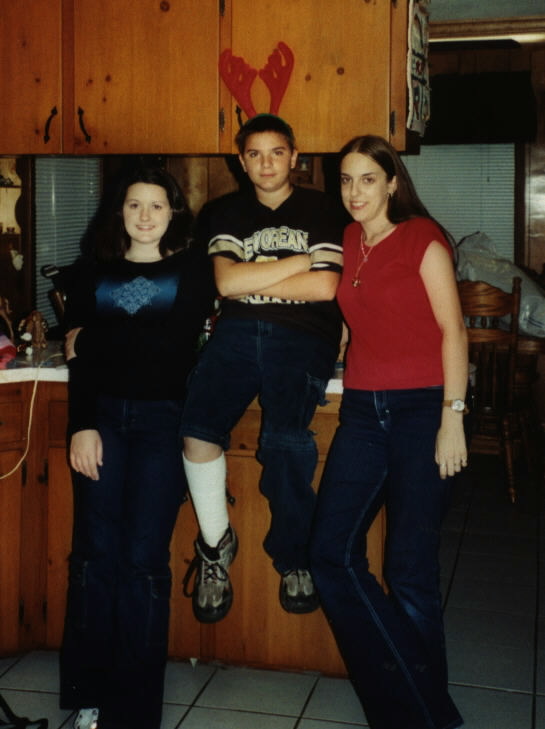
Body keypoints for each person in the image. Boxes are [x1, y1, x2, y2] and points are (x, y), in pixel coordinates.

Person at [310, 135, 467, 729]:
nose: (355, 192)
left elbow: (453, 331)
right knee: (330, 553)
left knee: (409, 570)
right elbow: (362, 312)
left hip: (423, 410)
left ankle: (418, 714)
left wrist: (452, 418)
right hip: (362, 410)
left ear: (393, 182)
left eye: (368, 179)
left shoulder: (423, 238)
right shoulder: (351, 240)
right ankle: (416, 706)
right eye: (346, 180)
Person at [59, 165, 214, 729]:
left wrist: (91, 337)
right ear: (118, 212)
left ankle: (134, 711)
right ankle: (89, 697)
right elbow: (80, 361)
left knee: (144, 562)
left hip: (163, 424)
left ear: (173, 213)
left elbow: (172, 348)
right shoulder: (90, 271)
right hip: (100, 422)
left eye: (156, 205)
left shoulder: (192, 269)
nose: (145, 216)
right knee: (93, 557)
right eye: (133, 205)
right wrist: (81, 425)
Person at [180, 113, 345, 623]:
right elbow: (226, 284)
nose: (266, 164)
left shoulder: (325, 208)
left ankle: (295, 557)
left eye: (277, 153)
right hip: (235, 334)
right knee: (196, 432)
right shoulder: (224, 211)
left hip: (303, 337)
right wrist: (300, 262)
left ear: (294, 157)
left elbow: (326, 287)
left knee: (285, 442)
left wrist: (255, 275)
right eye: (255, 154)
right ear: (241, 161)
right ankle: (216, 544)